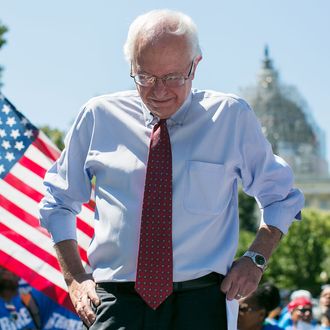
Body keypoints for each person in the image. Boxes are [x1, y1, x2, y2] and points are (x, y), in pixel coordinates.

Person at [38, 9, 304, 330]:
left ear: (196, 65)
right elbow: (58, 201)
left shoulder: (230, 117)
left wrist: (256, 259)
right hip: (117, 300)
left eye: (173, 77)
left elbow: (281, 197)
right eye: (145, 76)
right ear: (131, 66)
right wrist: (76, 277)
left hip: (202, 301)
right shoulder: (98, 116)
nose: (159, 91)